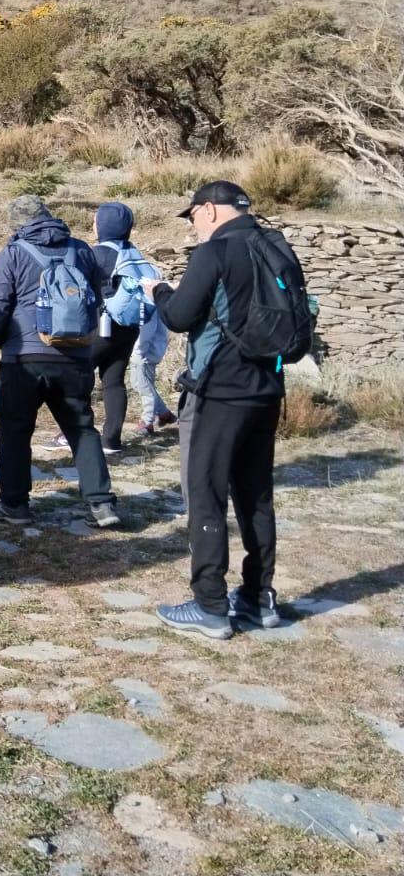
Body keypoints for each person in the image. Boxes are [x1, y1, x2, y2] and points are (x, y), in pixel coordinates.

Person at [144, 181, 304, 640]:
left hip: (218, 391)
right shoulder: (277, 248)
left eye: (192, 216)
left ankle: (210, 604)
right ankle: (259, 597)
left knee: (207, 493)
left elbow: (178, 317)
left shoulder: (213, 254)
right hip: (267, 389)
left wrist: (159, 291)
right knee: (256, 495)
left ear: (209, 210)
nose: (193, 226)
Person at [0, 195, 120, 528]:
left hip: (24, 359)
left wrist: (0, 341)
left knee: (15, 433)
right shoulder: (82, 250)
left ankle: (15, 506)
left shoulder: (14, 253)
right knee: (83, 430)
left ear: (16, 224)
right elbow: (97, 300)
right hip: (75, 358)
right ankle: (102, 505)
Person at [88, 201, 147, 455]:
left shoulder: (96, 254)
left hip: (101, 325)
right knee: (114, 380)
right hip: (129, 326)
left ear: (101, 225)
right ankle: (112, 440)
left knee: (78, 376)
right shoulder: (134, 253)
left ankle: (73, 433)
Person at [132, 311, 176, 436]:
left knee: (144, 386)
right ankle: (164, 414)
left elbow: (146, 328)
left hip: (145, 353)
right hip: (147, 351)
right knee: (138, 384)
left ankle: (147, 422)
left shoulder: (148, 301)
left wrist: (139, 352)